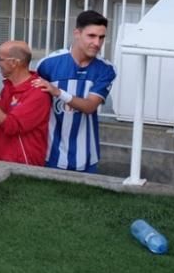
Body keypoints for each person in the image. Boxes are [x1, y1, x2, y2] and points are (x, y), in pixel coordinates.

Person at [34, 10, 116, 173]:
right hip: (50, 155)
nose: (97, 43)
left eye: (101, 37)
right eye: (91, 36)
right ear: (77, 33)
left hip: (86, 158)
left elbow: (90, 107)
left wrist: (58, 92)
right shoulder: (48, 64)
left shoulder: (106, 69)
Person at [0, 41, 51, 166]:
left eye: (0, 59)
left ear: (14, 62)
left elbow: (11, 126)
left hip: (22, 167)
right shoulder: (8, 88)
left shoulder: (38, 93)